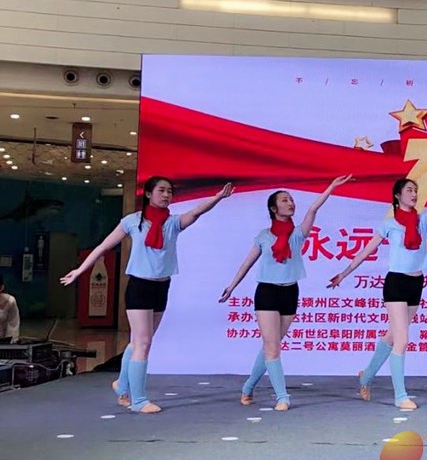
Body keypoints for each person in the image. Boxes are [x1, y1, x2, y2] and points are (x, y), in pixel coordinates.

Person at [61, 177, 233, 413]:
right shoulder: (132, 222)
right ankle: (139, 400)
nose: (166, 195)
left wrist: (218, 197)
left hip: (161, 287)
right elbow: (103, 247)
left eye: (169, 191)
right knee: (143, 343)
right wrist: (80, 271)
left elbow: (196, 213)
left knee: (139, 341)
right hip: (139, 287)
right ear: (149, 194)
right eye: (161, 190)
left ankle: (122, 384)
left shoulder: (172, 223)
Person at [327, 172, 427, 410]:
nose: (414, 194)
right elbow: (366, 252)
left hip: (416, 283)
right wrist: (344, 273)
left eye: (415, 190)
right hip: (396, 283)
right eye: (409, 190)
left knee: (392, 336)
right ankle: (400, 396)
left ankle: (366, 376)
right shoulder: (389, 225)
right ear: (397, 196)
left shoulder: (423, 221)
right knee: (402, 339)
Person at [220, 176, 351, 411]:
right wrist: (232, 286)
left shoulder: (298, 234)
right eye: (284, 200)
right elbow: (247, 264)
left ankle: (248, 386)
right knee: (272, 347)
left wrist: (331, 187)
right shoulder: (264, 236)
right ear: (273, 208)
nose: (290, 203)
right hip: (267, 293)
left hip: (290, 292)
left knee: (271, 345)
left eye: (291, 199)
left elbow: (313, 209)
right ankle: (282, 397)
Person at [0, 275, 20, 344]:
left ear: (1, 288)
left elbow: (13, 325)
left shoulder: (10, 301)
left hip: (3, 342)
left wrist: (10, 344)